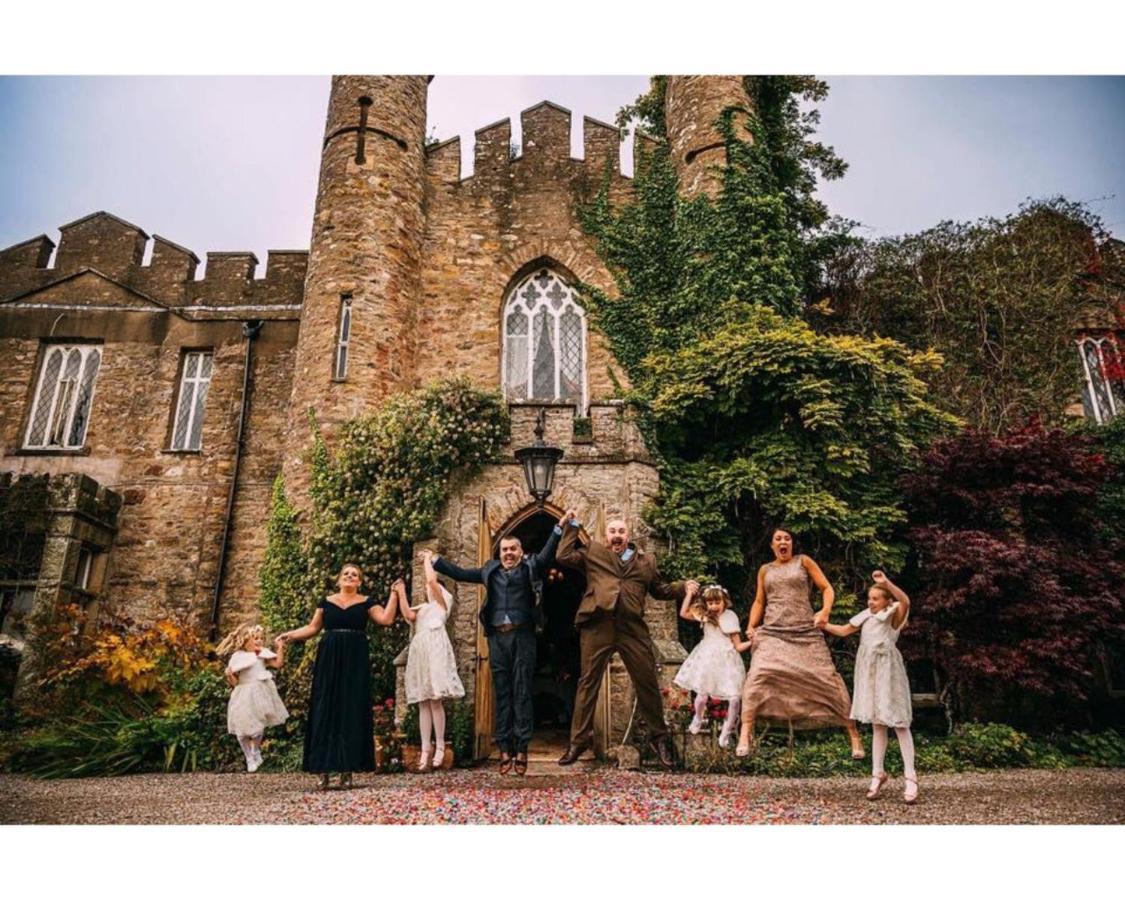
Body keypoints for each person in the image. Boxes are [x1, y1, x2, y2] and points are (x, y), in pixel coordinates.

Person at [556, 512, 699, 768]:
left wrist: (681, 587)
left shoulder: (646, 561)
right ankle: (577, 742)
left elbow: (659, 590)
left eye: (621, 531)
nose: (617, 535)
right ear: (606, 535)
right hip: (598, 625)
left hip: (632, 628)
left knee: (647, 682)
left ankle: (659, 738)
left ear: (628, 535)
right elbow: (563, 556)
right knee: (588, 682)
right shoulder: (594, 553)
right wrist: (572, 526)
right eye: (612, 531)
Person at [432, 509, 566, 775]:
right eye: (504, 549)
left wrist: (559, 527)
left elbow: (548, 553)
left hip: (523, 636)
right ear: (499, 553)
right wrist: (436, 561)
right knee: (503, 692)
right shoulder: (489, 571)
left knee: (522, 690)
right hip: (497, 637)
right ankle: (505, 747)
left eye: (513, 549)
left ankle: (522, 748)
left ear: (520, 551)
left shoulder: (531, 567)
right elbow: (460, 574)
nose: (508, 553)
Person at [736, 527, 865, 759]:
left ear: (792, 544)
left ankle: (853, 735)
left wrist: (825, 611)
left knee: (827, 679)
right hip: (773, 632)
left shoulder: (803, 562)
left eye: (787, 538)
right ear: (772, 545)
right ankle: (745, 732)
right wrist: (751, 626)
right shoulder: (765, 570)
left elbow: (827, 588)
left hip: (805, 632)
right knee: (758, 674)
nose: (783, 542)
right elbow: (758, 601)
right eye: (778, 539)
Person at [277, 563, 399, 790]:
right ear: (339, 579)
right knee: (326, 707)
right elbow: (313, 628)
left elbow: (386, 619)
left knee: (351, 708)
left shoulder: (366, 602)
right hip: (329, 658)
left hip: (355, 659)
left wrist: (394, 594)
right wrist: (290, 635)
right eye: (346, 574)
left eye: (355, 574)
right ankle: (322, 770)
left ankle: (347, 770)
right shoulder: (326, 602)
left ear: (359, 581)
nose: (350, 576)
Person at [819, 570, 918, 803]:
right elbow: (844, 630)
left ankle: (911, 777)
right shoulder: (866, 615)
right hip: (869, 671)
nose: (870, 602)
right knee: (877, 723)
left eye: (875, 599)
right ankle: (877, 773)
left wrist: (886, 583)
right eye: (870, 598)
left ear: (886, 601)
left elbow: (905, 600)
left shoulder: (894, 613)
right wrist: (824, 625)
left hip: (888, 670)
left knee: (899, 723)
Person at [397, 551, 465, 772]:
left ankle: (441, 745)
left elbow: (431, 580)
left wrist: (427, 559)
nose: (428, 590)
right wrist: (400, 592)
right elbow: (408, 614)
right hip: (421, 651)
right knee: (423, 701)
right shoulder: (424, 608)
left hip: (435, 649)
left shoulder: (443, 604)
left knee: (435, 699)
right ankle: (425, 748)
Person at [674, 583, 750, 749]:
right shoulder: (705, 616)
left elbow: (738, 646)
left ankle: (726, 732)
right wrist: (689, 594)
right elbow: (683, 613)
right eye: (710, 603)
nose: (714, 606)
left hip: (728, 661)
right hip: (708, 657)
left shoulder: (730, 618)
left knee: (735, 698)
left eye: (717, 602)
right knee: (702, 693)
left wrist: (753, 642)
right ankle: (698, 718)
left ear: (724, 602)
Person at [216, 622, 288, 772]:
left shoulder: (262, 654)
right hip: (243, 693)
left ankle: (255, 750)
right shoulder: (238, 657)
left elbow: (278, 664)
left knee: (258, 726)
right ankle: (248, 756)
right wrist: (229, 675)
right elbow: (235, 682)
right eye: (255, 638)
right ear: (245, 640)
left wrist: (280, 648)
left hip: (260, 692)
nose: (259, 641)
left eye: (261, 638)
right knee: (241, 730)